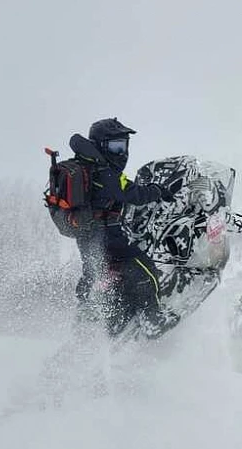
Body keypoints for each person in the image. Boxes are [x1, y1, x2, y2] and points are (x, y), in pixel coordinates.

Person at [74, 118, 179, 336]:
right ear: (101, 145)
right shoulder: (105, 173)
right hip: (107, 235)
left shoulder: (86, 168)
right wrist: (157, 191)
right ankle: (152, 318)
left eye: (123, 145)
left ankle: (89, 316)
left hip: (87, 236)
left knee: (93, 271)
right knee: (143, 267)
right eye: (115, 146)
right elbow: (133, 194)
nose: (121, 152)